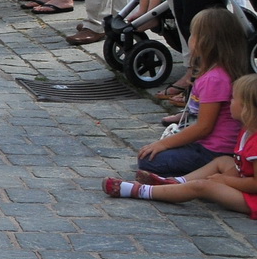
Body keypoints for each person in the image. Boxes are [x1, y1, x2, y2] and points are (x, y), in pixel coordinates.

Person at [106, 73, 257, 218]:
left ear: (246, 107)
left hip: (252, 200)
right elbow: (240, 168)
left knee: (201, 186)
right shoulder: (246, 131)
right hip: (245, 184)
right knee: (222, 161)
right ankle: (177, 182)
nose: (230, 102)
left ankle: (142, 191)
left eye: (233, 99)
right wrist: (224, 178)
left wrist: (224, 180)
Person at [129, 8, 250, 177]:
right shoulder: (215, 73)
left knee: (148, 160)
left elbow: (203, 127)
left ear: (205, 42)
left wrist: (164, 144)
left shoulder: (215, 79)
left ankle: (203, 173)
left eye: (193, 35)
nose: (189, 39)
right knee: (154, 153)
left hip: (213, 151)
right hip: (207, 145)